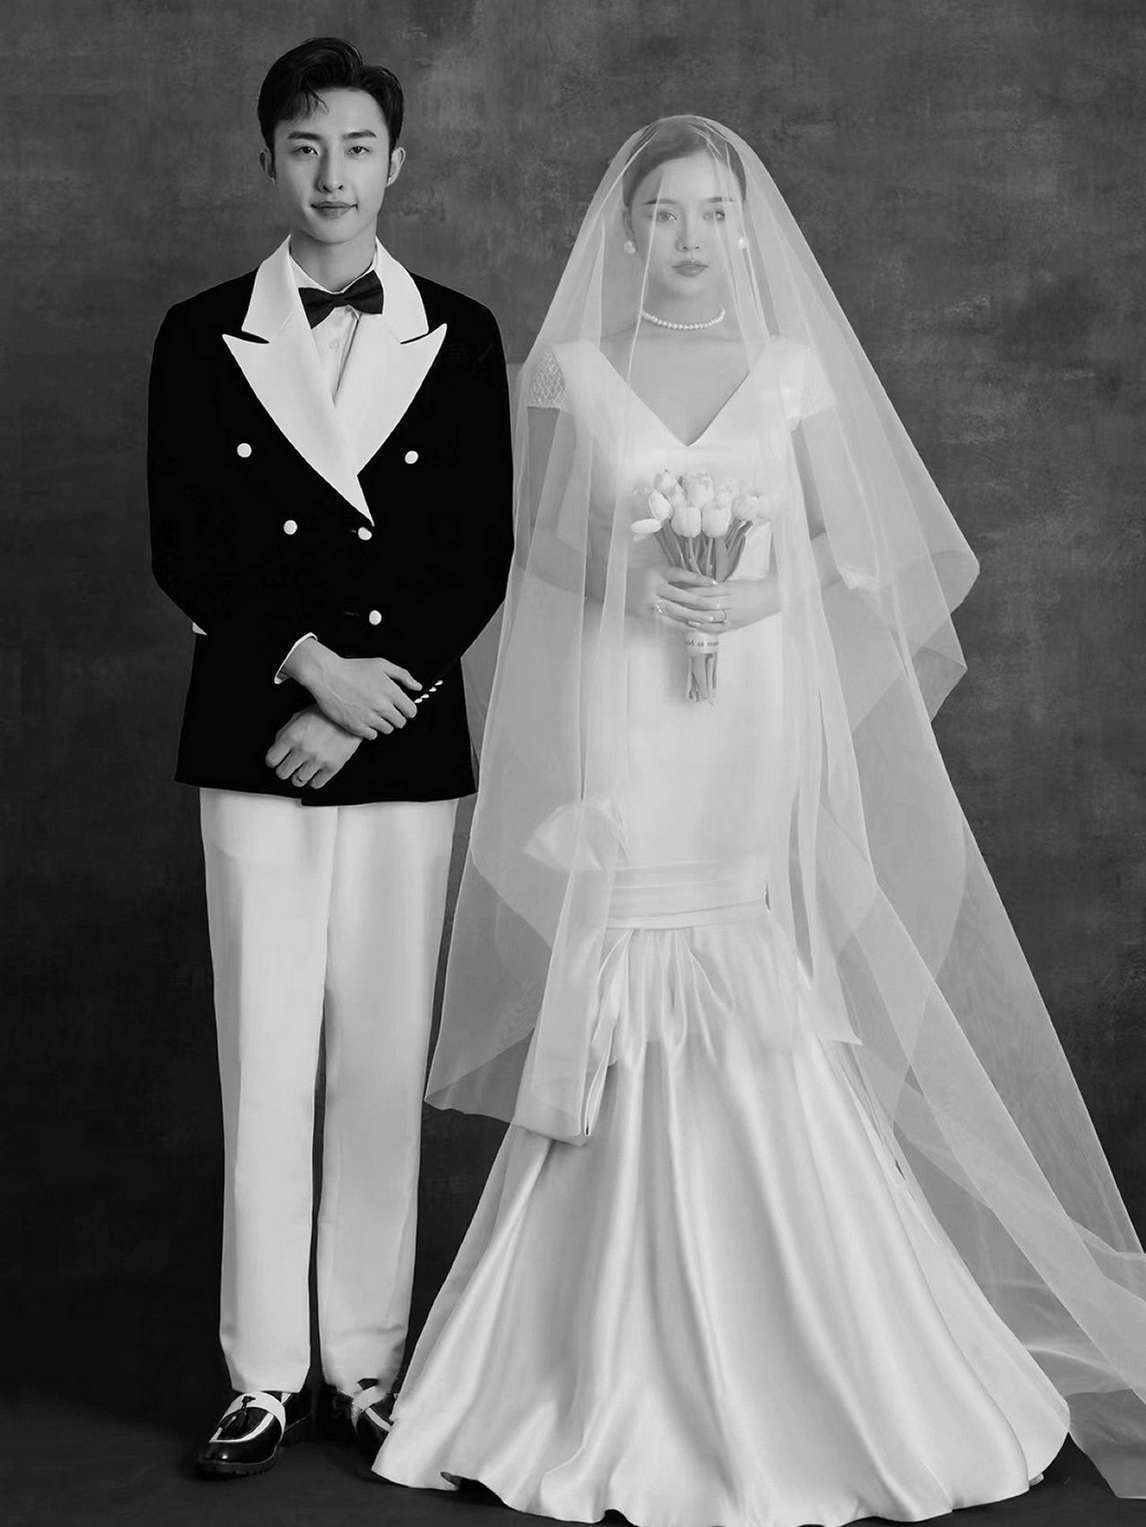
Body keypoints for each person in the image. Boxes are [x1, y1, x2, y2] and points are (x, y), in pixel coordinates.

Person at [373, 117, 1146, 1523]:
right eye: (664, 212)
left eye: (712, 212)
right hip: (626, 700)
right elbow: (537, 541)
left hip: (748, 711)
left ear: (744, 227)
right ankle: (591, 1338)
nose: (688, 235)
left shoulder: (789, 371)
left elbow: (851, 540)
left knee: (743, 941)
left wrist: (751, 591)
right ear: (626, 230)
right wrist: (636, 584)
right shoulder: (578, 369)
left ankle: (807, 1329)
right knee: (627, 936)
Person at [147, 36, 512, 1478]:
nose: (333, 175)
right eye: (305, 148)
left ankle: (368, 1364)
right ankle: (260, 1373)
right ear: (268, 161)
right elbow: (186, 541)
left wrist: (370, 695)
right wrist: (307, 670)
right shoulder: (199, 333)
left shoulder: (460, 333)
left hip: (400, 736)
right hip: (257, 733)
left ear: (396, 162)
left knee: (378, 1054)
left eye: (357, 147)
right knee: (264, 1050)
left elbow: (474, 547)